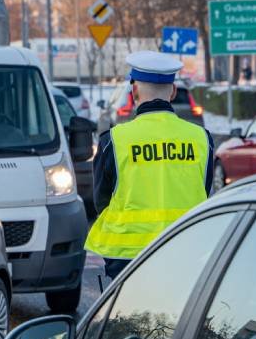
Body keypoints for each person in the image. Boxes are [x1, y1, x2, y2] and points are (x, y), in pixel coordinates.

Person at [87, 51, 214, 280]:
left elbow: (101, 202)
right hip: (186, 253)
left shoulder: (113, 141)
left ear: (134, 91)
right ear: (173, 92)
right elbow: (204, 190)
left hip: (127, 260)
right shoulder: (201, 139)